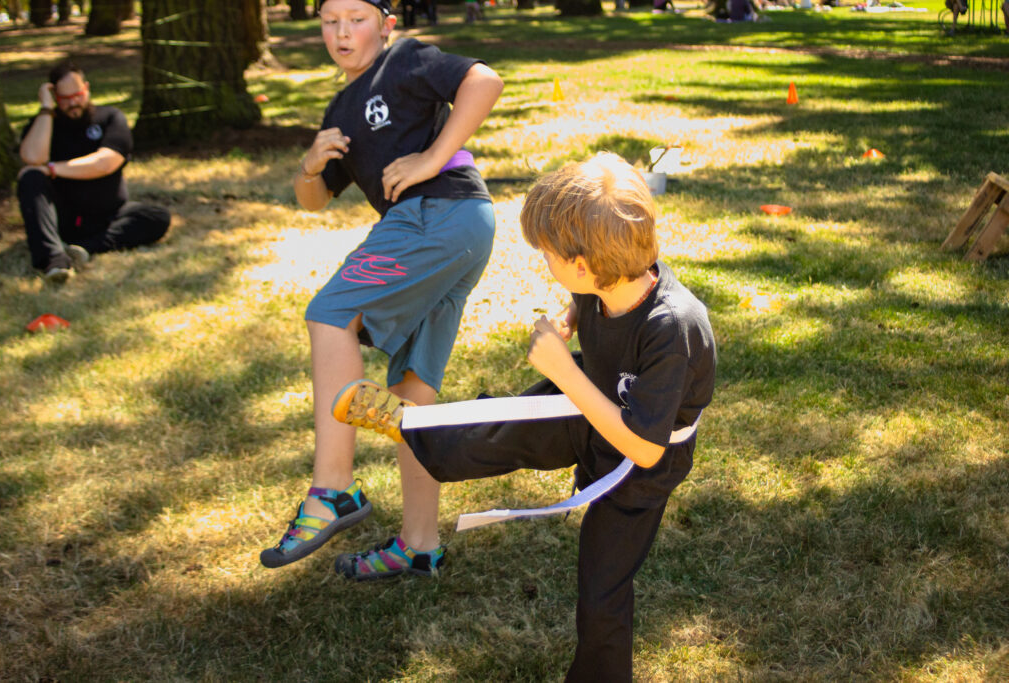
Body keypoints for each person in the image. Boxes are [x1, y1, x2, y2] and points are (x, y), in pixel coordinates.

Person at [332, 153, 716, 681]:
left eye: (550, 256)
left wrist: (564, 370)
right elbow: (587, 297)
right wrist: (571, 315)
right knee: (505, 424)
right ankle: (413, 425)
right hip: (592, 401)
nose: (546, 263)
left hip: (640, 462)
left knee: (601, 590)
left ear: (584, 265)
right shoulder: (607, 275)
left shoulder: (673, 328)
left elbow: (645, 448)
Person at [259, 0, 504, 576]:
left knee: (330, 313)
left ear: (386, 24)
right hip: (458, 227)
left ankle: (333, 489)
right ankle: (419, 545)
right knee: (412, 392)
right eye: (329, 21)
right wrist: (310, 167)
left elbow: (484, 80)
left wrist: (431, 157)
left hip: (435, 213)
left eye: (357, 18)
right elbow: (315, 201)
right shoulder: (341, 107)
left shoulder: (405, 61)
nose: (342, 32)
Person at [17, 61, 171, 284]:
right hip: (63, 220)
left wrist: (53, 169)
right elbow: (32, 158)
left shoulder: (110, 118)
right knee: (31, 177)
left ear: (87, 88)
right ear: (54, 96)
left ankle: (83, 249)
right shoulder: (44, 124)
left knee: (157, 217)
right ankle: (54, 260)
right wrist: (46, 110)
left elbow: (105, 163)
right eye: (64, 98)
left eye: (77, 94)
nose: (73, 103)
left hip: (108, 215)